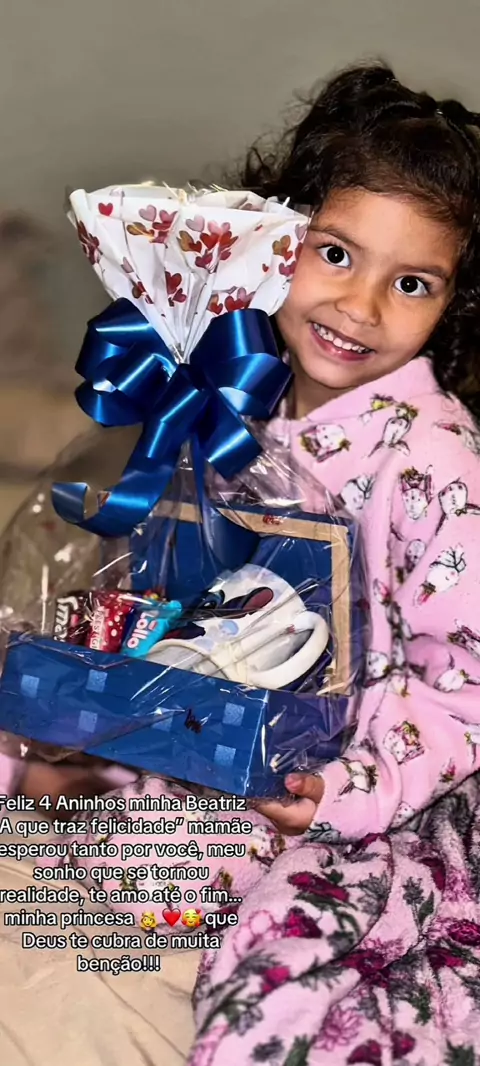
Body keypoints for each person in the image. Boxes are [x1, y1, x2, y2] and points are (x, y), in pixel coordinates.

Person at [7, 60, 480, 928]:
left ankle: (96, 805)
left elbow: (465, 686)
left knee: (157, 880)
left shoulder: (438, 462)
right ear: (272, 242)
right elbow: (169, 586)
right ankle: (73, 775)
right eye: (334, 254)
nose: (361, 306)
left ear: (455, 302)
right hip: (195, 709)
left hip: (320, 774)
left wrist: (350, 790)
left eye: (412, 283)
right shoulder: (229, 400)